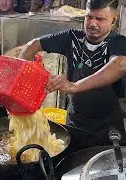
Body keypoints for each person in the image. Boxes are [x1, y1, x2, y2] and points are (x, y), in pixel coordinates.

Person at [19, 0, 126, 149]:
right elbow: (34, 45)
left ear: (113, 21)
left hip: (106, 127)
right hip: (74, 122)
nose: (92, 24)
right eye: (89, 17)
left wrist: (74, 86)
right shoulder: (72, 38)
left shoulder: (118, 42)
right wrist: (19, 76)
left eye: (100, 19)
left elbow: (119, 66)